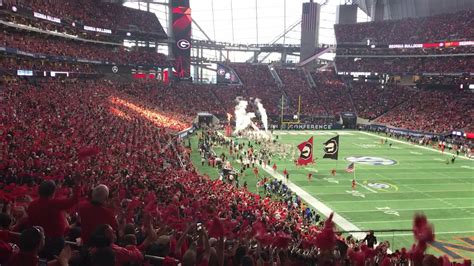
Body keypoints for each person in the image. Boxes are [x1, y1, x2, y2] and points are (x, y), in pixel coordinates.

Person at [27, 180, 80, 260]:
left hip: (39, 239)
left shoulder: (32, 205)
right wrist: (78, 185)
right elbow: (73, 201)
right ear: (53, 192)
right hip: (55, 241)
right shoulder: (53, 203)